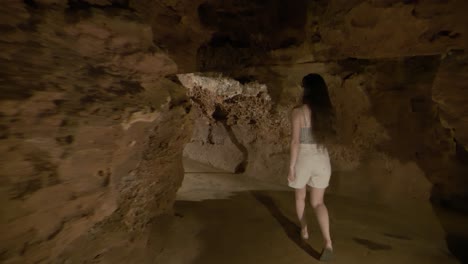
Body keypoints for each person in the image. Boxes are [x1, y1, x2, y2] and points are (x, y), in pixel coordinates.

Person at [287, 73, 335, 261]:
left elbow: (295, 142)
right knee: (319, 203)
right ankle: (328, 242)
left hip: (303, 159)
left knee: (301, 197)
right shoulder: (326, 112)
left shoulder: (298, 112)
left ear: (305, 90)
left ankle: (305, 229)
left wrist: (291, 167)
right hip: (323, 159)